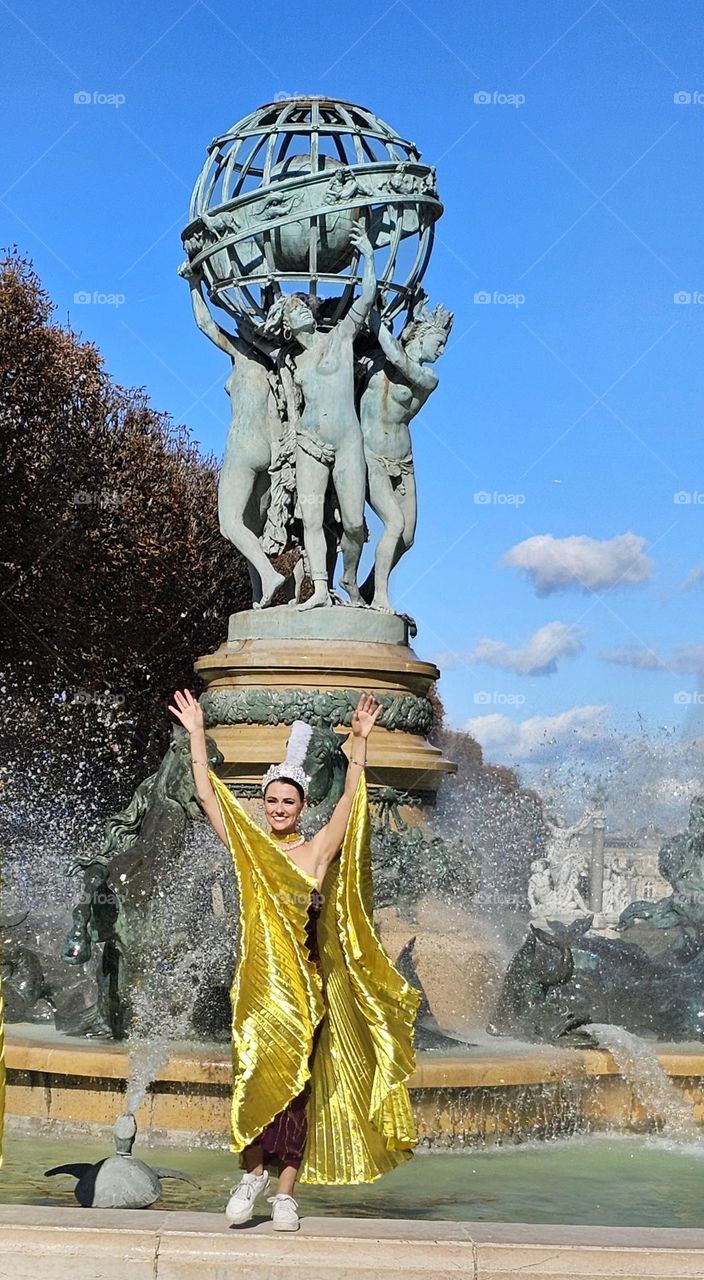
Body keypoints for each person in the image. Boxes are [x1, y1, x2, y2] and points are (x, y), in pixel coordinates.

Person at [168, 689, 421, 1232]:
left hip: (307, 990)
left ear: (302, 806)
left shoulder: (316, 852)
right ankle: (250, 1176)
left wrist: (359, 742)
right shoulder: (251, 847)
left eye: (289, 802)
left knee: (298, 1094)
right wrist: (196, 734)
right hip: (258, 990)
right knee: (255, 1077)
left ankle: (285, 1194)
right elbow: (211, 799)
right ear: (263, 803)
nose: (279, 809)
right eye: (272, 801)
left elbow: (351, 805)